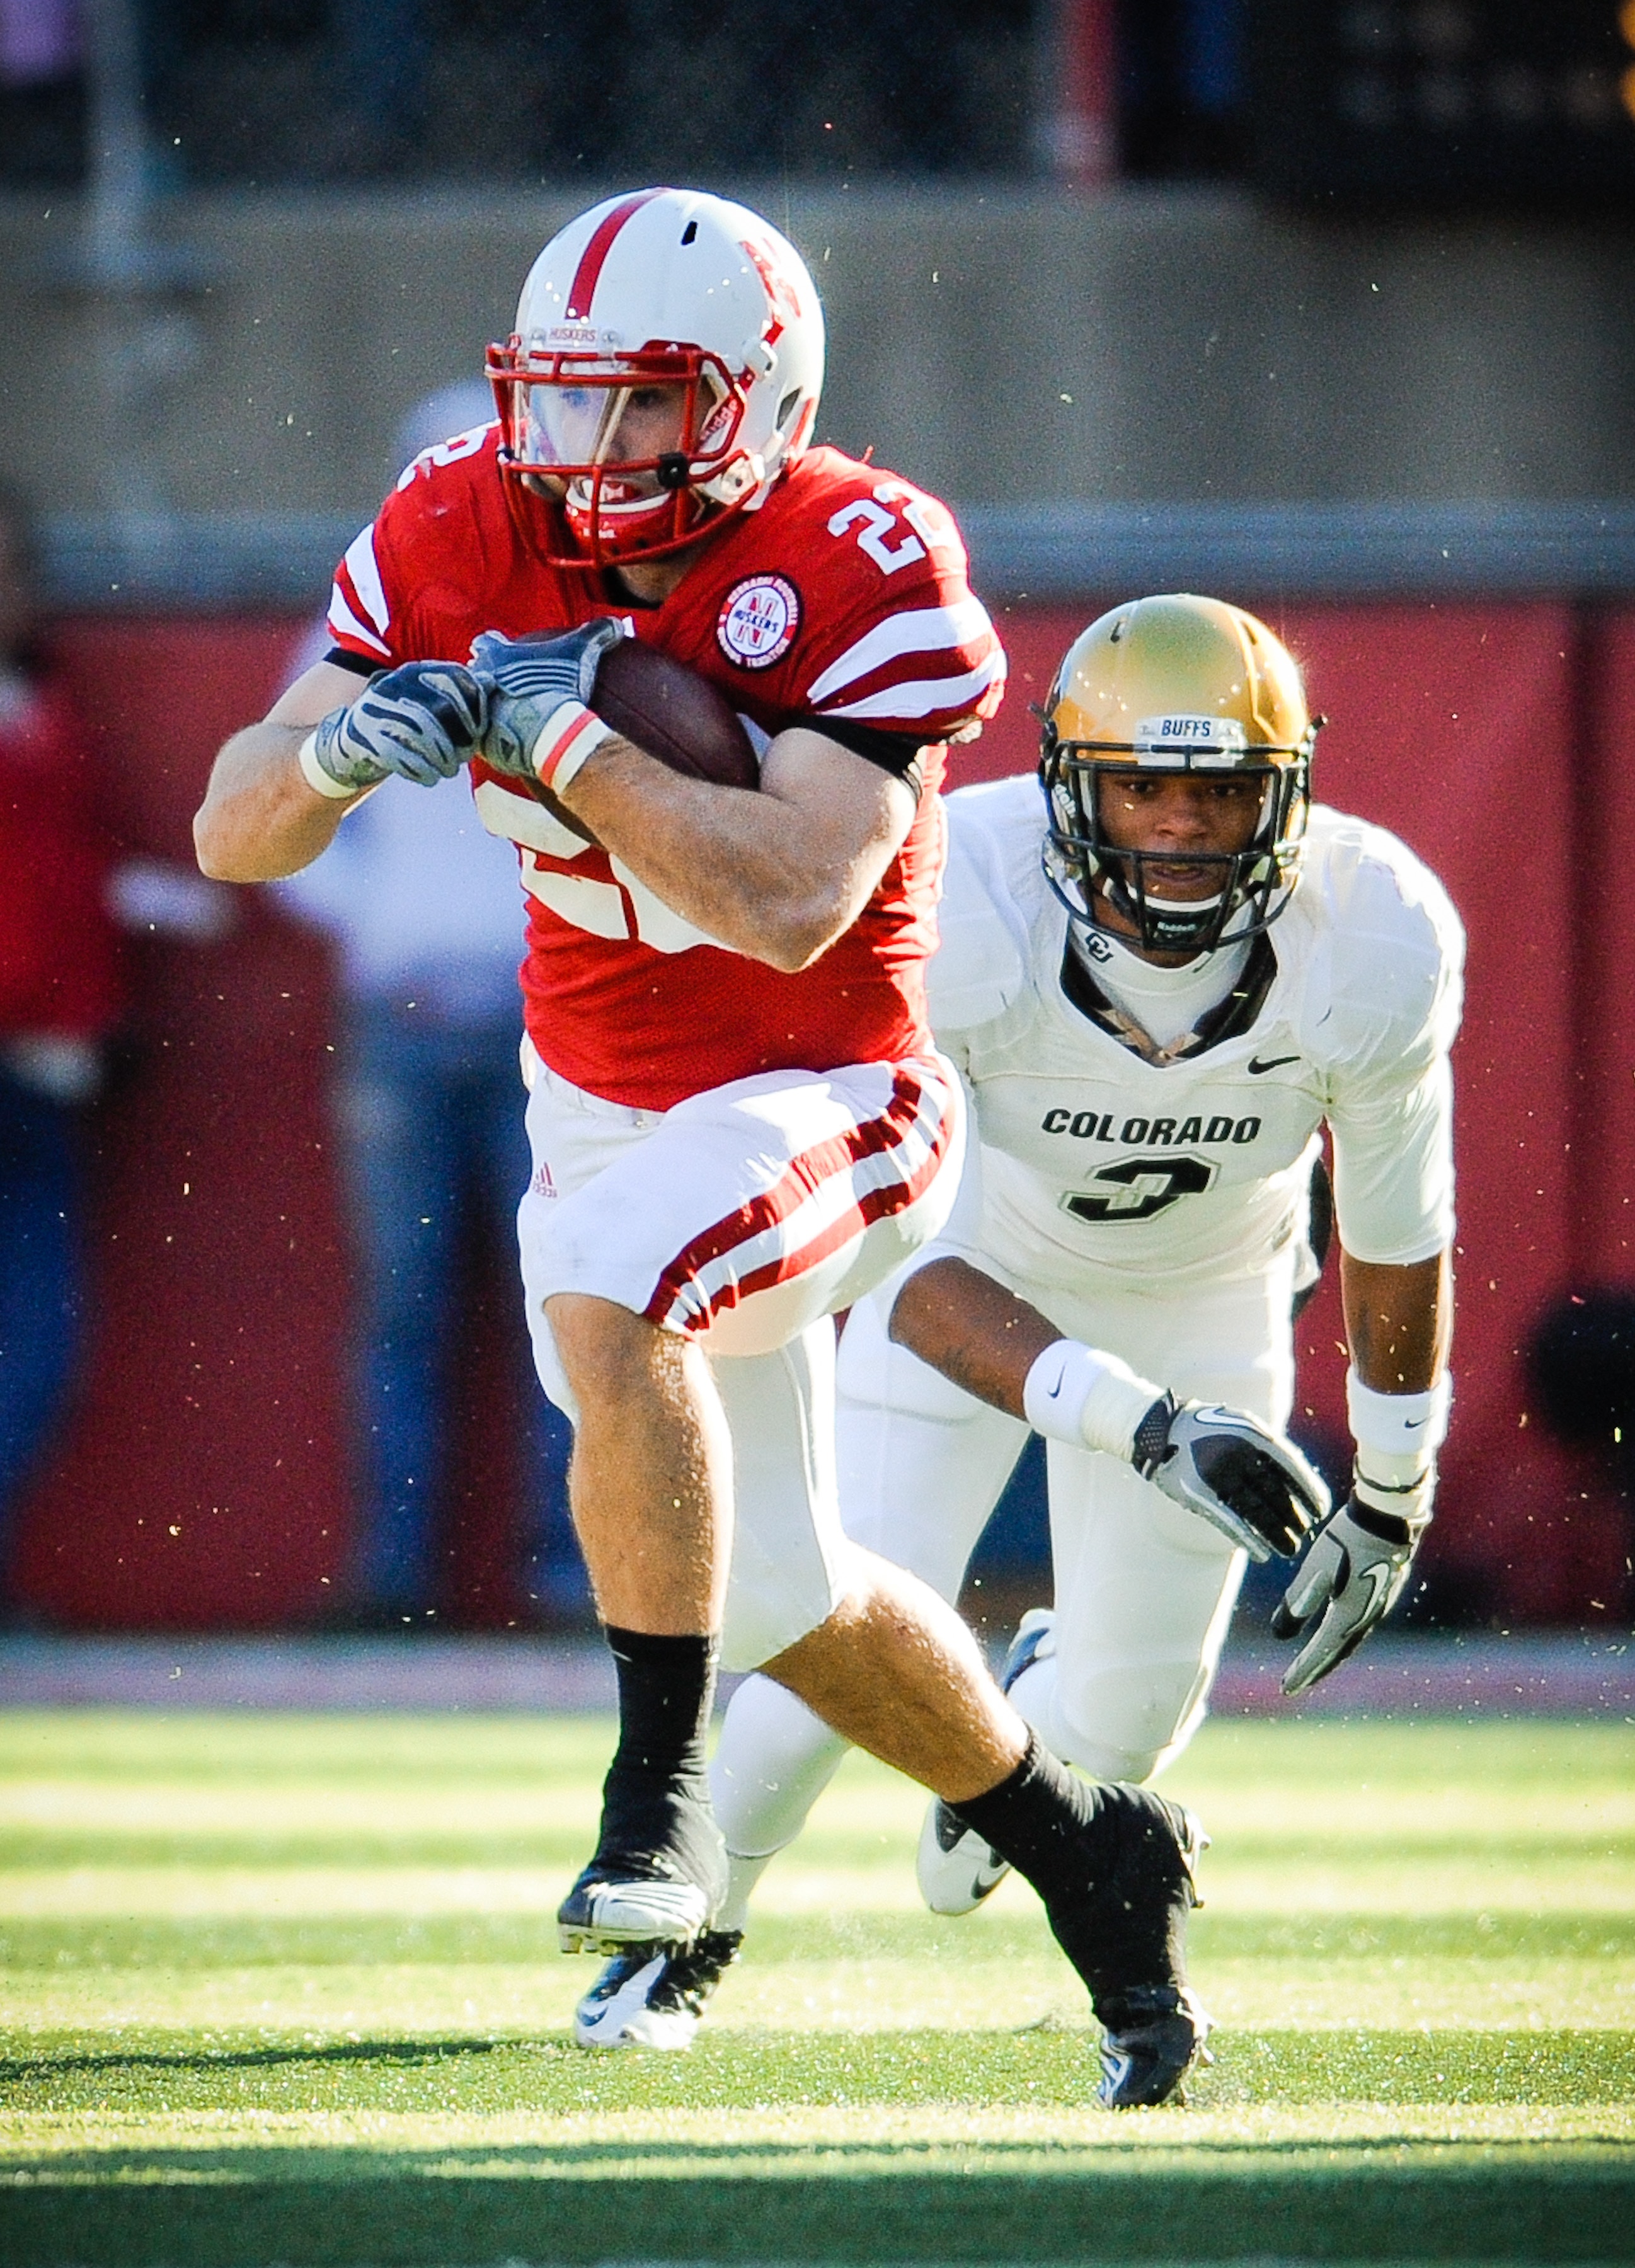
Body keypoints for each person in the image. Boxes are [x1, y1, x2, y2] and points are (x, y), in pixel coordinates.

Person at [193, 193, 1323, 2105]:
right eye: (561, 403)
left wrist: (571, 753)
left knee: (605, 1284)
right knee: (789, 1589)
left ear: (755, 396)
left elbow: (799, 899)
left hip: (832, 1090)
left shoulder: (855, 551)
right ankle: (1086, 1845)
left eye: (640, 405)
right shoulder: (460, 516)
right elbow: (236, 830)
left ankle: (657, 1813)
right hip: (599, 1093)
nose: (588, 452)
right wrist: (335, 751)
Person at [634, 590, 1459, 2045]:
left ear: (1287, 793)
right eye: (1142, 785)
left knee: (1131, 1725)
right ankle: (690, 1928)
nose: (1180, 827)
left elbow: (1396, 1233)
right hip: (960, 1268)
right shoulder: (958, 898)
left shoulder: (1372, 929)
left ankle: (1009, 1762)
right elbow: (886, 1266)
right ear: (1071, 782)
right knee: (830, 1624)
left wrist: (1392, 1490)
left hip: (1210, 1290)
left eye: (1216, 791)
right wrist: (1135, 1423)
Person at [276, 382, 585, 1627]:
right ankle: (391, 1577)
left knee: (566, 1306)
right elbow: (273, 823)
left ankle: (571, 1575)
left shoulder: (569, 628)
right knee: (407, 1309)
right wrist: (381, 930)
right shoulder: (347, 632)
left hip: (537, 1022)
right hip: (410, 1015)